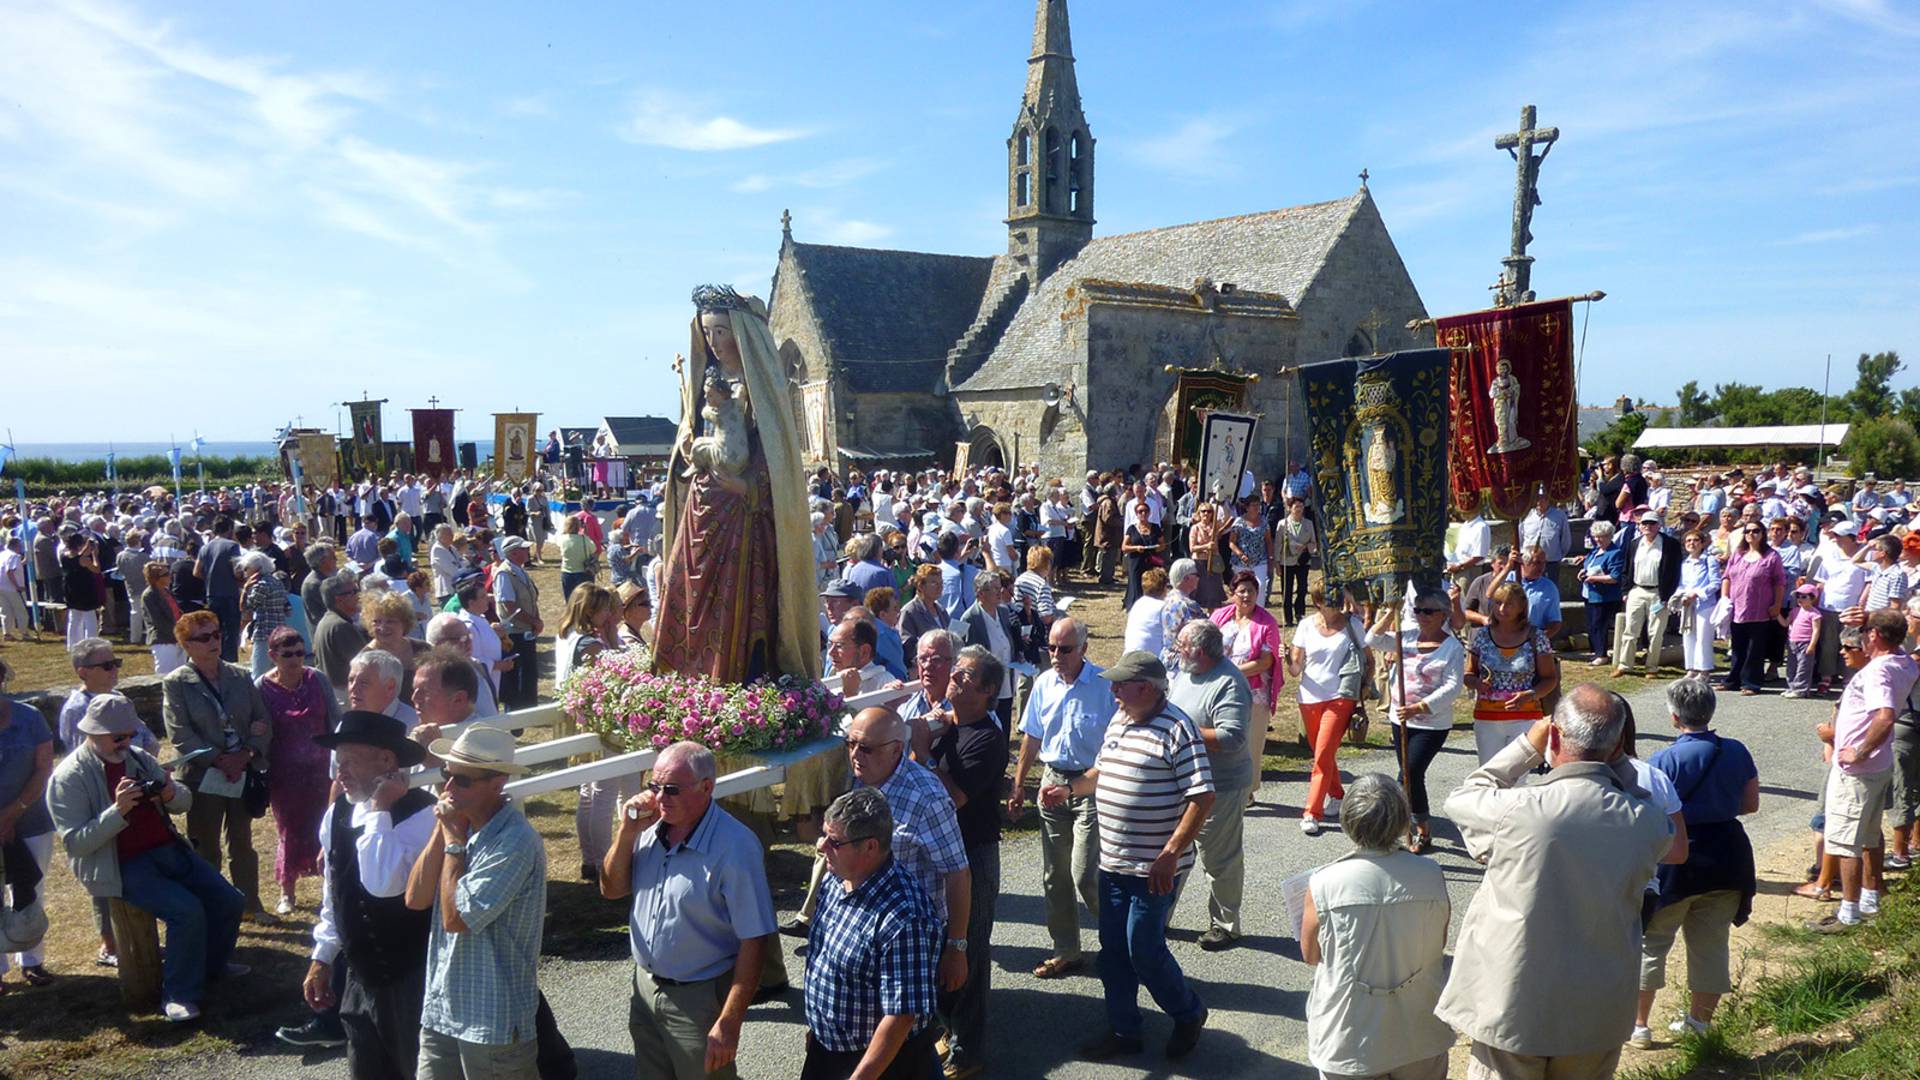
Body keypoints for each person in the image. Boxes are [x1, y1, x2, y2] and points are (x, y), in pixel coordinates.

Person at [1435, 687, 1675, 1079]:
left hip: (1514, 1004)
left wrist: (1526, 747)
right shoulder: (1645, 822)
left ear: (1556, 737)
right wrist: (1616, 758)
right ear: (1617, 746)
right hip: (1597, 1008)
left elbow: (1464, 797)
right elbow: (1650, 807)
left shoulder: (1520, 810)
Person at [1041, 651, 1214, 1063]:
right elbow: (1101, 772)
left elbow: (1202, 795)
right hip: (1113, 862)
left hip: (1154, 867)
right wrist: (1070, 790)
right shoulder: (1120, 719)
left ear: (1148, 688)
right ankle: (1125, 1030)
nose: (1113, 690)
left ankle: (1189, 1013)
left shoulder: (1178, 728)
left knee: (1144, 949)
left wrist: (1171, 853)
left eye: (1121, 684)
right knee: (1113, 951)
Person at [49, 692, 245, 1021]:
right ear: (92, 734)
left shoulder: (138, 758)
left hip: (167, 849)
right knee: (187, 912)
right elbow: (76, 844)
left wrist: (170, 793)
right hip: (121, 864)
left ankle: (212, 968)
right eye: (118, 737)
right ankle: (179, 995)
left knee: (229, 900)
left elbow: (183, 803)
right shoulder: (69, 777)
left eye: (130, 734)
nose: (127, 742)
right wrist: (118, 811)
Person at [601, 741, 775, 1080]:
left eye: (672, 789)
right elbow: (611, 889)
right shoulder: (648, 829)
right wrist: (626, 832)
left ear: (707, 787)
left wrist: (729, 1022)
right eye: (654, 786)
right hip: (646, 989)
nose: (660, 797)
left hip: (700, 998)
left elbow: (755, 940)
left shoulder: (735, 848)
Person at [294, 711, 436, 1072]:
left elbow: (383, 884)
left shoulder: (423, 814)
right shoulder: (336, 814)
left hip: (414, 978)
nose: (339, 772)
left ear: (386, 760)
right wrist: (322, 956)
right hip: (361, 979)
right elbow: (334, 894)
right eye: (338, 762)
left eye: (349, 762)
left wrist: (380, 807)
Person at [405, 725, 547, 1079]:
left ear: (497, 784)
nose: (448, 788)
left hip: (492, 1023)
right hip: (442, 1012)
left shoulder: (515, 842)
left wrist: (454, 841)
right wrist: (445, 832)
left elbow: (458, 920)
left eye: (462, 781)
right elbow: (415, 898)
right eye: (446, 774)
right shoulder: (460, 825)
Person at [1301, 775, 1454, 1080]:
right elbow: (1439, 940)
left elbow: (1310, 954)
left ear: (1348, 821)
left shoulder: (1323, 882)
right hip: (1419, 1029)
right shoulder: (1430, 873)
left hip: (1349, 1036)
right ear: (1401, 820)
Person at [1633, 679, 1761, 1045]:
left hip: (1678, 858)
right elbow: (1750, 804)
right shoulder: (1736, 751)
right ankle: (1699, 1024)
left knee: (1653, 942)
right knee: (1711, 944)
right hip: (1727, 854)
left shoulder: (1662, 760)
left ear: (1674, 717)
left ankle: (1640, 1025)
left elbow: (1649, 814)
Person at [801, 788, 943, 1080]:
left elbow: (901, 1016)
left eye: (835, 841)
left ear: (870, 847)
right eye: (824, 835)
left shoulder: (905, 916)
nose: (821, 846)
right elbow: (824, 962)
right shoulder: (836, 880)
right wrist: (820, 1030)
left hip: (883, 1065)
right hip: (828, 1051)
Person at [926, 647, 1010, 1079]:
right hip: (938, 857)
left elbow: (950, 798)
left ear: (988, 690)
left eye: (964, 675)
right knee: (938, 947)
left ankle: (968, 1051)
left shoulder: (987, 739)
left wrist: (922, 751)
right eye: (954, 671)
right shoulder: (946, 727)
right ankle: (948, 1026)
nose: (953, 678)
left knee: (969, 952)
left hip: (972, 856)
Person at [1008, 616, 1107, 980]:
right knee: (1055, 876)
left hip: (1091, 786)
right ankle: (1066, 950)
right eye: (1050, 647)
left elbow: (1114, 746)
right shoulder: (1044, 684)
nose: (1055, 655)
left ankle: (1123, 942)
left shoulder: (1103, 686)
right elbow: (1032, 738)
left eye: (1064, 649)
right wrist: (1020, 784)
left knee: (1085, 874)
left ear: (1083, 648)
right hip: (1052, 784)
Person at [162, 609, 273, 920]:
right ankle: (211, 908)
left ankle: (251, 905)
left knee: (242, 842)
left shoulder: (238, 675)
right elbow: (180, 732)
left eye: (217, 634)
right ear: (186, 644)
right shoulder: (176, 683)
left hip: (242, 772)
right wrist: (219, 759)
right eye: (204, 637)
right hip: (202, 776)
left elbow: (262, 719)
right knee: (205, 846)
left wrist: (246, 754)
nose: (214, 641)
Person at [1812, 610, 1918, 932]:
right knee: (1871, 834)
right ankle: (1871, 899)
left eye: (1866, 631)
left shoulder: (1878, 672)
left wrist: (1858, 751)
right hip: (1879, 765)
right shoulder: (1904, 662)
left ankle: (1849, 912)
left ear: (1874, 635)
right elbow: (1901, 637)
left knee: (1846, 841)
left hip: (1859, 769)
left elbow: (1885, 716)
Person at [1167, 620, 1252, 950]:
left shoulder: (1230, 684)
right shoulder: (1186, 672)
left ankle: (1225, 925)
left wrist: (1185, 732)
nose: (1177, 649)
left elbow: (1232, 737)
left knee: (1220, 860)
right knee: (1172, 849)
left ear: (1199, 652)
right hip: (1184, 782)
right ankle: (1161, 916)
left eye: (1182, 645)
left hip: (1221, 785)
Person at [1367, 589, 1465, 854]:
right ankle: (1408, 825)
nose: (1421, 616)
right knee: (1409, 776)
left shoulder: (1452, 648)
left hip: (1431, 724)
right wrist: (1392, 612)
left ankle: (1418, 827)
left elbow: (1453, 686)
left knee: (1410, 773)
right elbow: (1372, 638)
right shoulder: (1406, 637)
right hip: (1400, 719)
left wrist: (1420, 707)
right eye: (1417, 610)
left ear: (1444, 615)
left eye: (1428, 611)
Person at [256, 626, 340, 917]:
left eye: (300, 653)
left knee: (326, 827)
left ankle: (332, 888)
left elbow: (334, 719)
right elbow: (259, 729)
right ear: (272, 655)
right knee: (289, 832)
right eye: (288, 654)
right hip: (285, 774)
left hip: (322, 770)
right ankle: (287, 892)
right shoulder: (262, 687)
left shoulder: (317, 679)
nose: (295, 659)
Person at [1287, 584, 1367, 835]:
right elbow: (1295, 669)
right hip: (1309, 697)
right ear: (1318, 602)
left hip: (1340, 696)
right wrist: (1286, 658)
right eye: (1330, 600)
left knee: (1321, 755)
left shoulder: (1353, 625)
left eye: (1339, 599)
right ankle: (1338, 795)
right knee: (1323, 752)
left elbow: (1369, 659)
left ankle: (1312, 812)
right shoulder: (1306, 625)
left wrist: (1362, 689)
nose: (1337, 605)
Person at [0, 676, 57, 988]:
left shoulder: (29, 718)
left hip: (32, 818)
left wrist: (11, 814)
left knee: (33, 889)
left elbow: (43, 768)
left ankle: (33, 960)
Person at [1467, 581, 1559, 765]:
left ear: (1522, 607)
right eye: (1498, 603)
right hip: (1487, 718)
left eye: (1509, 604)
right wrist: (1476, 683)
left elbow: (1550, 679)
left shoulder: (1536, 636)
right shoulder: (1483, 636)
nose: (1502, 609)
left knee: (1517, 778)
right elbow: (1468, 673)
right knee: (1489, 773)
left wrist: (1531, 694)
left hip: (1525, 716)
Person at [1722, 521, 1787, 694]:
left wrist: (1777, 604)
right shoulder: (1738, 554)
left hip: (1760, 610)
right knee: (1737, 647)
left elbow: (1779, 583)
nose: (1751, 534)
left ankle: (1751, 683)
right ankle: (1733, 680)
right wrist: (1724, 598)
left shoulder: (1771, 556)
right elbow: (1727, 576)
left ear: (1763, 534)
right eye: (1747, 531)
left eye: (1755, 531)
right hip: (1737, 608)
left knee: (1754, 649)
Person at [955, 571, 1018, 728]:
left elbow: (1008, 641)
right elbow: (960, 650)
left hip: (1006, 680)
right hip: (986, 684)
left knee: (1005, 721)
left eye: (1000, 587)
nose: (1000, 592)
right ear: (981, 593)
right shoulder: (969, 618)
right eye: (995, 588)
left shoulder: (1003, 611)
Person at [491, 537, 542, 710]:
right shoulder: (504, 573)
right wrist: (534, 621)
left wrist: (537, 620)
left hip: (526, 630)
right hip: (514, 634)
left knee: (528, 674)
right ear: (514, 552)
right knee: (516, 677)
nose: (528, 552)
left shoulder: (518, 571)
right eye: (524, 549)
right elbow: (509, 605)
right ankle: (516, 712)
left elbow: (532, 600)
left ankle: (528, 709)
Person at [196, 516, 246, 662]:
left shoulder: (205, 548)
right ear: (230, 529)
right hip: (229, 595)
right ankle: (230, 664)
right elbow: (236, 570)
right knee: (231, 634)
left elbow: (196, 571)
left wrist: (211, 577)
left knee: (215, 633)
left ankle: (215, 661)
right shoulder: (232, 546)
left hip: (212, 594)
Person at [1675, 530, 1724, 681]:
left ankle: (1704, 670)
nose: (1692, 543)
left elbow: (1715, 583)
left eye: (1695, 540)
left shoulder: (1709, 560)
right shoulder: (1685, 563)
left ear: (1702, 543)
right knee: (1688, 636)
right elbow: (1682, 584)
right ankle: (1691, 668)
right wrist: (1681, 595)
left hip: (1705, 604)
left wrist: (1697, 593)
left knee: (1703, 637)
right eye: (1688, 541)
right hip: (1688, 604)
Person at [363, 589, 424, 702]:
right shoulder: (364, 660)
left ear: (404, 623)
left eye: (390, 621)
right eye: (376, 621)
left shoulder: (423, 649)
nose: (382, 627)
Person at [239, 551, 293, 680]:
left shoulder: (261, 585)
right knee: (276, 672)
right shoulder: (278, 582)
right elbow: (288, 609)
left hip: (264, 632)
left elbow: (245, 608)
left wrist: (245, 589)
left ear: (256, 568)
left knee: (258, 673)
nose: (245, 572)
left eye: (247, 568)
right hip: (280, 631)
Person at [315, 573, 371, 693]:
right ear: (339, 598)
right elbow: (366, 661)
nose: (359, 596)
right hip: (346, 692)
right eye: (354, 591)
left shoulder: (328, 620)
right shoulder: (340, 626)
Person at [1158, 559, 1206, 676]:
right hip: (1183, 661)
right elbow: (1204, 630)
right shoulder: (1187, 605)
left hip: (1166, 657)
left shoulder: (1167, 598)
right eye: (1196, 575)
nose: (1198, 578)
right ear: (1186, 578)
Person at [1274, 498, 1316, 626]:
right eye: (1296, 506)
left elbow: (1314, 542)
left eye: (1301, 506)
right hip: (1287, 561)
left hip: (1303, 561)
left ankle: (1299, 613)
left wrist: (1306, 547)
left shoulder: (1308, 524)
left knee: (1302, 589)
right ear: (1290, 508)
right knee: (1287, 590)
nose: (1299, 509)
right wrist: (1276, 562)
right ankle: (1288, 617)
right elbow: (1278, 544)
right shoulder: (1283, 524)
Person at [59, 530, 104, 647]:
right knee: (90, 619)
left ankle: (72, 644)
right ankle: (91, 643)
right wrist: (95, 555)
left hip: (71, 590)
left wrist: (87, 548)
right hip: (84, 590)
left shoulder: (64, 555)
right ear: (79, 545)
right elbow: (96, 569)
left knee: (74, 619)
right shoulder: (84, 560)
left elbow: (78, 555)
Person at [898, 564, 949, 666]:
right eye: (934, 583)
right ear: (921, 586)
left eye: (941, 583)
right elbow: (908, 645)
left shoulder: (941, 609)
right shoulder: (909, 611)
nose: (940, 587)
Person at [143, 561, 187, 674]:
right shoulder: (149, 595)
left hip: (178, 638)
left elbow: (176, 612)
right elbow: (158, 621)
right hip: (164, 641)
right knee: (165, 674)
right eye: (166, 574)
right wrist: (177, 634)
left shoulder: (167, 591)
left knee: (181, 672)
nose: (170, 576)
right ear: (156, 578)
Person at [1120, 500, 1163, 609]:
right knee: (1136, 584)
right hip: (1136, 560)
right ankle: (1135, 606)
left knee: (1152, 582)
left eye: (1145, 511)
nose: (1143, 514)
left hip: (1152, 560)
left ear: (1149, 513)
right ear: (1136, 514)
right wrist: (1136, 548)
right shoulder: (1132, 528)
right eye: (1140, 511)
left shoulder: (1155, 527)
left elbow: (1163, 544)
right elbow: (1124, 547)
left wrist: (1158, 547)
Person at [1123, 567, 1170, 658]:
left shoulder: (1138, 604)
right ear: (1164, 588)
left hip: (1128, 657)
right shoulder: (1163, 608)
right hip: (1151, 662)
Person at [554, 514, 595, 602]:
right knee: (585, 600)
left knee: (570, 600)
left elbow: (559, 542)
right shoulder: (584, 539)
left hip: (567, 572)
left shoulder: (562, 539)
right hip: (583, 572)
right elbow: (593, 549)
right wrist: (586, 533)